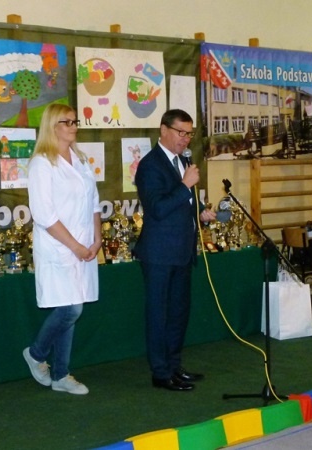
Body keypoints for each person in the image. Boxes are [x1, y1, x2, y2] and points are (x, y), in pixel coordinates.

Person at [134, 109, 216, 391]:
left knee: (179, 313)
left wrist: (200, 211)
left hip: (182, 250)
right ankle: (160, 373)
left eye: (189, 134)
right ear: (163, 130)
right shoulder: (150, 165)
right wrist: (185, 185)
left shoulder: (184, 161)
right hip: (159, 253)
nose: (185, 139)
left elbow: (183, 201)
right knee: (159, 314)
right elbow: (157, 208)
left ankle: (174, 365)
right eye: (180, 132)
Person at [23, 104, 102, 395]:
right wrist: (76, 246)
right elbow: (44, 215)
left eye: (74, 121)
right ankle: (36, 353)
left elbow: (94, 202)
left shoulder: (80, 159)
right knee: (71, 308)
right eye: (66, 122)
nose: (73, 126)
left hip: (84, 245)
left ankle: (60, 374)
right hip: (58, 247)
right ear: (52, 126)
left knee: (72, 304)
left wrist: (97, 239)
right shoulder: (42, 164)